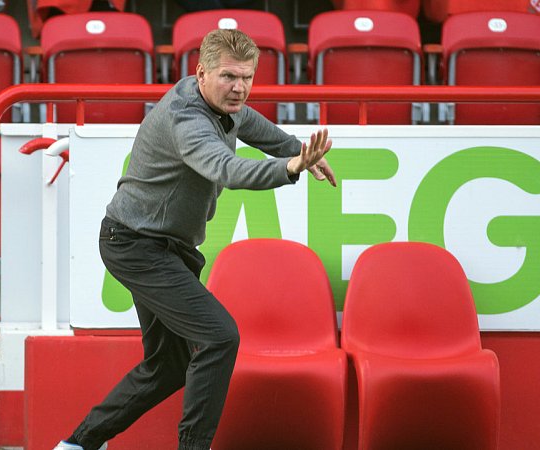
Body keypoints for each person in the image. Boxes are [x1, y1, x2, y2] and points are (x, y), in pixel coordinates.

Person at [55, 29, 335, 450]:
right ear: (201, 73)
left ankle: (77, 445)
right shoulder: (186, 118)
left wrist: (300, 150)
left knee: (168, 366)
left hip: (168, 248)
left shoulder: (228, 102)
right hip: (134, 244)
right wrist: (290, 167)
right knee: (220, 336)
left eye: (246, 77)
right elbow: (228, 169)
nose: (239, 88)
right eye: (228, 77)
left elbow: (262, 131)